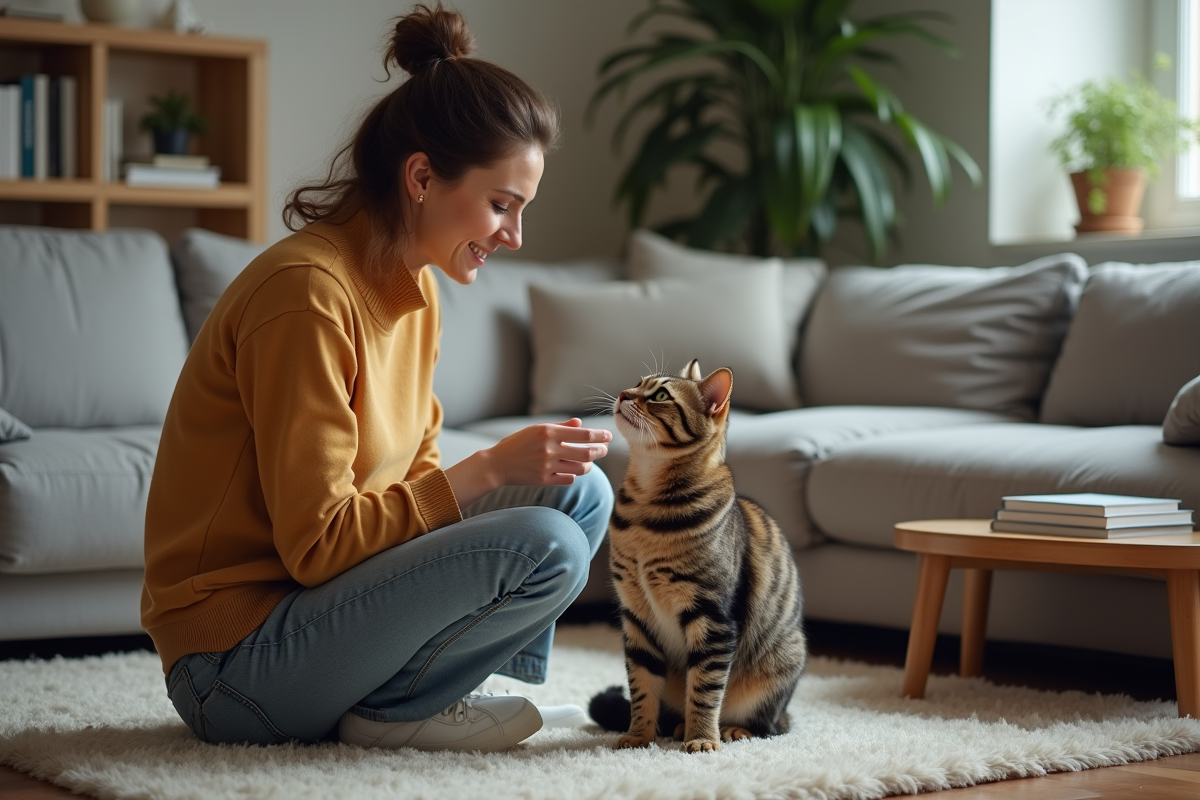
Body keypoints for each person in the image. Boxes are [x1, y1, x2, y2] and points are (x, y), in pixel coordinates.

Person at [140, 3, 614, 753]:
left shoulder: (415, 288)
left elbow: (413, 474)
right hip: (233, 666)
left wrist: (485, 479)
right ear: (422, 176)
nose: (514, 237)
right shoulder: (306, 297)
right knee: (548, 544)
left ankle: (433, 689)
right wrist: (489, 467)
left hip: (318, 616)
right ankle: (396, 711)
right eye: (501, 205)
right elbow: (318, 545)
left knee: (580, 491)